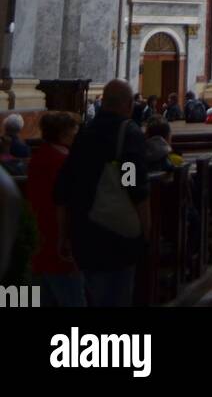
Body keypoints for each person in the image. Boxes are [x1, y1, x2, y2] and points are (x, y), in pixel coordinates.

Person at [55, 78, 150, 307]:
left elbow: (63, 189)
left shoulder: (83, 135)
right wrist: (145, 231)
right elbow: (132, 183)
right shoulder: (129, 134)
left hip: (85, 232)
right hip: (118, 235)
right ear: (128, 105)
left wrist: (63, 235)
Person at [27, 111, 87, 307]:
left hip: (39, 236)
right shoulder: (64, 161)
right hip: (60, 240)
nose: (76, 134)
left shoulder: (38, 157)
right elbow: (68, 204)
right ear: (63, 134)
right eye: (74, 130)